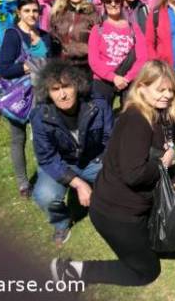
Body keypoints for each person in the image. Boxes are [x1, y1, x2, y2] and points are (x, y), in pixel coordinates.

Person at [50, 60, 175, 286]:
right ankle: (73, 271)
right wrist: (163, 164)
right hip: (117, 213)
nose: (166, 95)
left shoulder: (158, 114)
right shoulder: (137, 119)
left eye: (170, 89)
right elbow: (133, 175)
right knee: (147, 271)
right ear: (142, 88)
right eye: (160, 89)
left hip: (132, 205)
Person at [30, 60, 113, 246]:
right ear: (48, 93)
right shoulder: (40, 116)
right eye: (55, 89)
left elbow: (110, 140)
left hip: (93, 159)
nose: (62, 94)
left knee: (119, 182)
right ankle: (61, 223)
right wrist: (79, 183)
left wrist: (107, 169)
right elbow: (47, 157)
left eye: (67, 86)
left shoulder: (98, 104)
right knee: (45, 195)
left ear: (77, 85)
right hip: (60, 162)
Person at [0, 0, 53, 198]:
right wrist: (28, 66)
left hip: (43, 93)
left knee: (43, 137)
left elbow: (52, 63)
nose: (32, 14)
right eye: (27, 10)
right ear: (19, 12)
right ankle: (23, 184)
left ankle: (47, 177)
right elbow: (4, 68)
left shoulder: (45, 36)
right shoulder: (13, 35)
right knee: (18, 138)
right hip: (19, 96)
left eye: (35, 10)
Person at [88, 0, 147, 106]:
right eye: (108, 1)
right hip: (103, 80)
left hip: (128, 79)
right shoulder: (97, 29)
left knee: (131, 118)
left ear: (122, 2)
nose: (113, 4)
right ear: (104, 3)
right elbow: (94, 61)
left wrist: (127, 78)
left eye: (116, 0)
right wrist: (113, 78)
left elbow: (143, 57)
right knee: (102, 119)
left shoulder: (133, 28)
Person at [49, 0, 99, 75]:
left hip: (86, 66)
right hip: (64, 66)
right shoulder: (58, 14)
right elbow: (53, 41)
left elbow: (99, 38)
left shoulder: (91, 12)